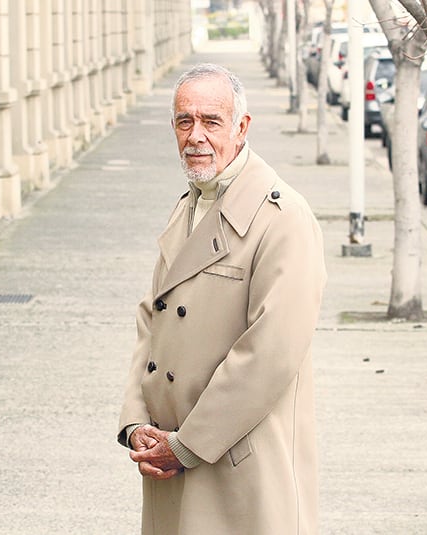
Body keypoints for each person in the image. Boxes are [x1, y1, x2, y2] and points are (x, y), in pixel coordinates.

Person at [117, 63, 327, 535]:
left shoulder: (284, 218)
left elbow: (269, 355)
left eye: (211, 121)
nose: (196, 136)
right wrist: (135, 423)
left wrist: (187, 445)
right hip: (167, 456)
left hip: (240, 467)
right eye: (184, 121)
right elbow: (151, 323)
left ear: (241, 127)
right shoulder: (188, 204)